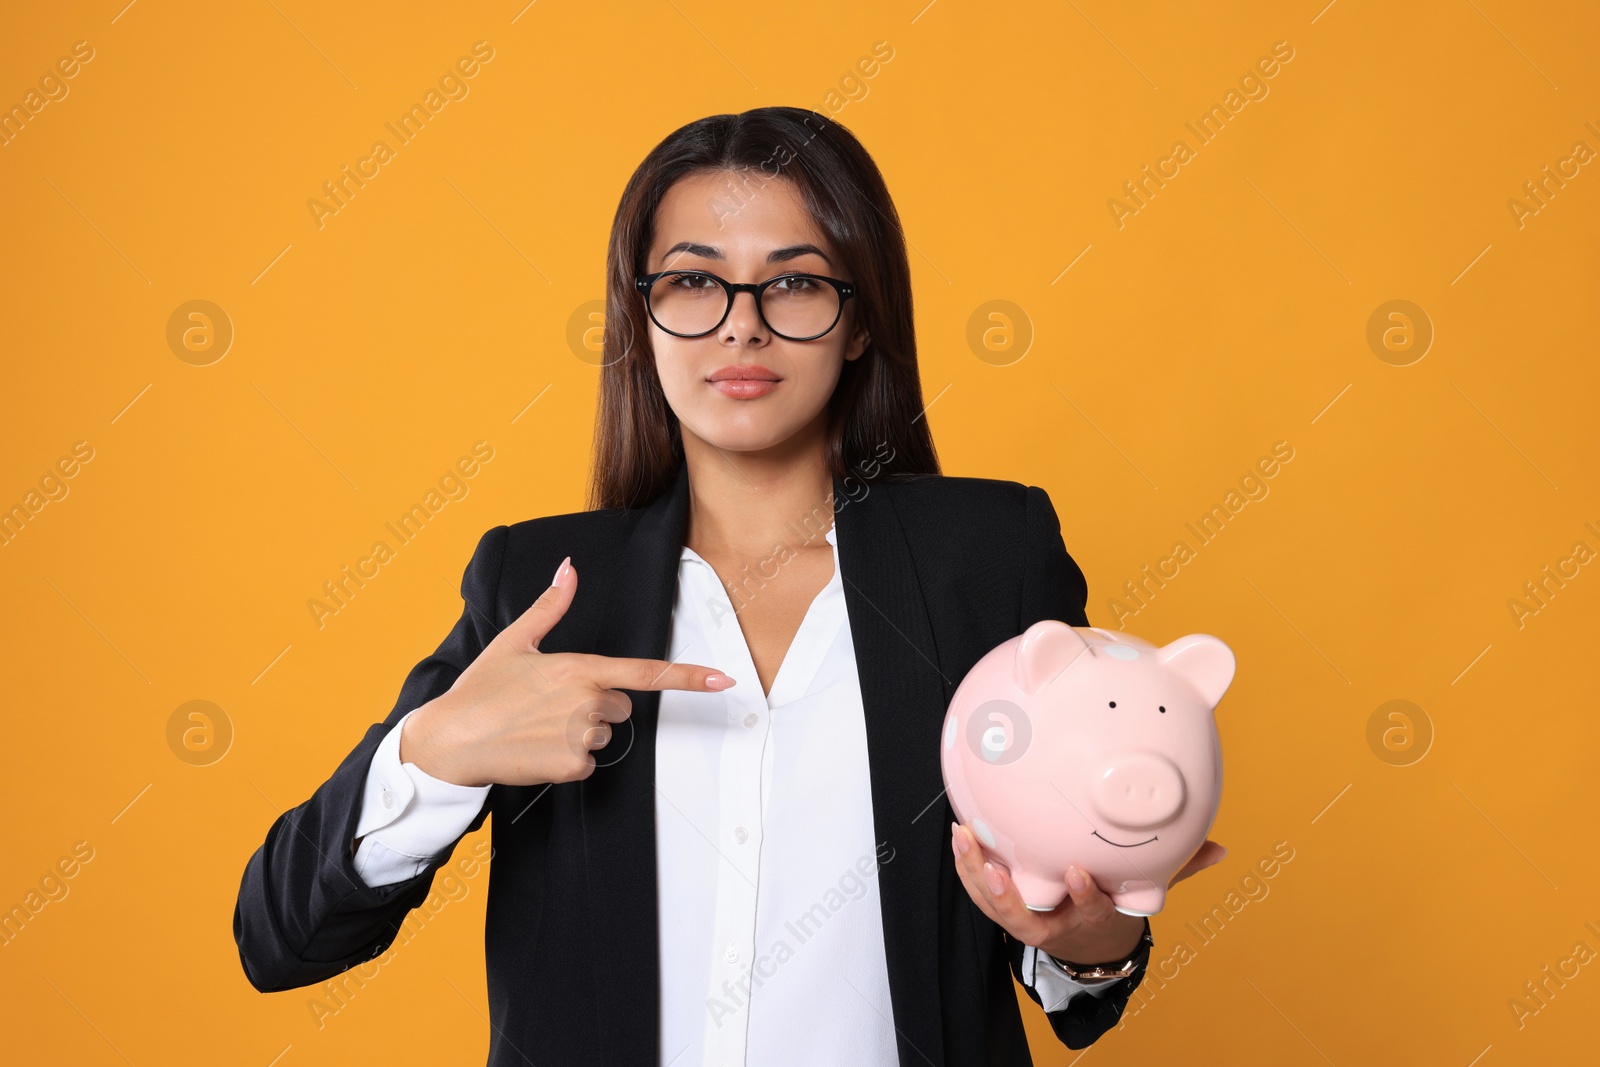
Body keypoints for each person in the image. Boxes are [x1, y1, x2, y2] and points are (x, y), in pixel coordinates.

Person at [233, 105, 1223, 1066]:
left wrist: (1087, 941)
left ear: (860, 322)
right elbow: (280, 938)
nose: (740, 328)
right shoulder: (540, 585)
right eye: (694, 283)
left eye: (793, 284)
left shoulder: (987, 558)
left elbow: (1072, 959)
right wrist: (435, 750)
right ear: (642, 315)